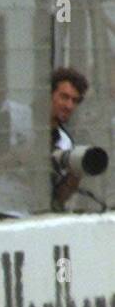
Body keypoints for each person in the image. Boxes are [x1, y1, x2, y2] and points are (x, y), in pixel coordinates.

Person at [49, 67, 90, 210]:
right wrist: (11, 159)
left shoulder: (65, 142)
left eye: (75, 100)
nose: (69, 106)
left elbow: (59, 199)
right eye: (64, 97)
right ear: (49, 94)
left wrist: (75, 175)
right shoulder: (18, 121)